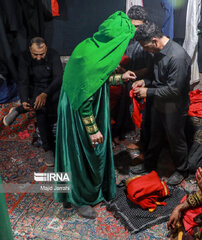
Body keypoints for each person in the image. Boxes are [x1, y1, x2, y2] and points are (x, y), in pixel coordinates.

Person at [54, 11, 136, 219]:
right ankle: (79, 198)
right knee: (82, 154)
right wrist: (92, 130)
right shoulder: (90, 58)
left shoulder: (91, 47)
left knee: (87, 152)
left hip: (84, 103)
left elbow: (96, 80)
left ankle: (87, 189)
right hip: (80, 110)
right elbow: (84, 96)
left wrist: (119, 77)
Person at [131, 22, 191, 186]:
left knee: (175, 139)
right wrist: (145, 81)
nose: (144, 50)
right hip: (159, 101)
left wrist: (147, 92)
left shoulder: (177, 57)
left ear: (155, 41)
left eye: (145, 46)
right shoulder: (157, 52)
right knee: (154, 134)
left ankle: (181, 170)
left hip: (174, 105)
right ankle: (149, 164)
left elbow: (174, 91)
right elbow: (157, 78)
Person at [3, 37, 63, 167]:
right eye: (35, 54)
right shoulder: (24, 57)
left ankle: (18, 110)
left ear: (46, 48)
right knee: (40, 110)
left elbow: (58, 78)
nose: (39, 58)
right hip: (35, 89)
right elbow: (23, 81)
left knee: (43, 103)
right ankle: (47, 149)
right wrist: (24, 99)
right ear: (30, 50)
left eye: (42, 54)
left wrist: (45, 93)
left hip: (51, 88)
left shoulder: (53, 55)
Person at [111, 5, 153, 149]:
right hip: (125, 77)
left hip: (145, 79)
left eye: (137, 26)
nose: (134, 29)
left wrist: (128, 73)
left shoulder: (150, 39)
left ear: (145, 24)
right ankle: (117, 131)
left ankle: (142, 140)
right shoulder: (125, 35)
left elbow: (149, 68)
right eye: (131, 25)